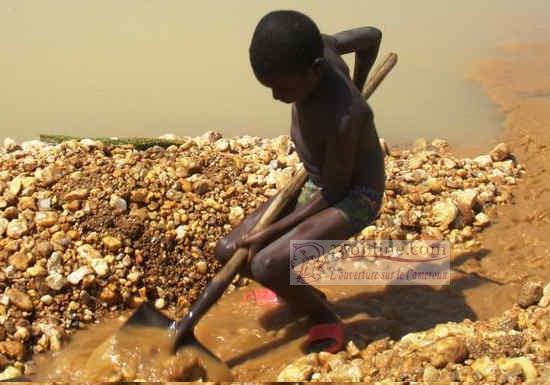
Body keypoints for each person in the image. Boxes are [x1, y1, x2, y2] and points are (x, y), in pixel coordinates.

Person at [214, 10, 385, 353]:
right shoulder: (321, 46)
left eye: (284, 87)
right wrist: (360, 80)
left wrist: (270, 232)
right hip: (318, 182)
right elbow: (372, 36)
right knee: (227, 250)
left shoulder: (346, 116)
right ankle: (294, 289)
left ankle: (321, 313)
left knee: (265, 262)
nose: (277, 96)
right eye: (270, 87)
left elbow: (334, 192)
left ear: (316, 70)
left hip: (353, 195)